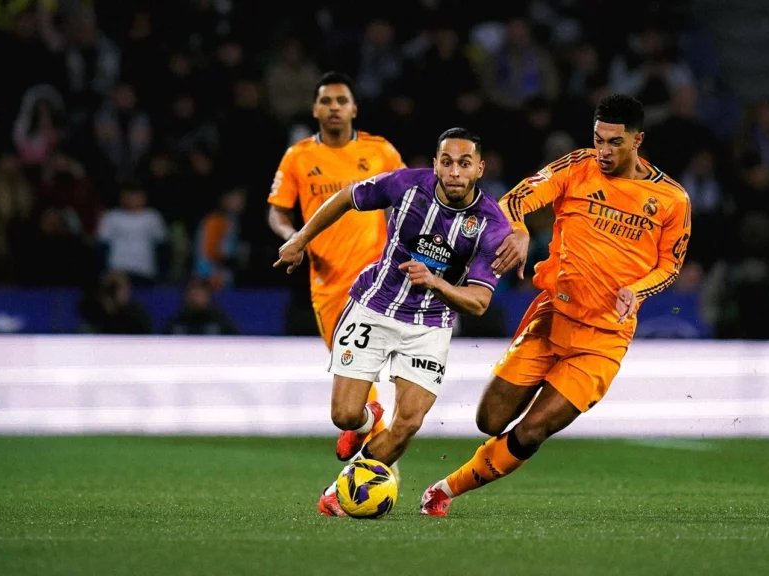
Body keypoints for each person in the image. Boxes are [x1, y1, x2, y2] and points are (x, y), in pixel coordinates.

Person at [420, 94, 693, 516]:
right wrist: (520, 230)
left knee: (533, 429)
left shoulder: (673, 200)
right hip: (552, 316)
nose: (603, 151)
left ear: (638, 140)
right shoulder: (577, 166)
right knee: (489, 421)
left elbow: (670, 267)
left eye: (614, 142)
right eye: (598, 139)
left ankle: (444, 490)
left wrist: (635, 291)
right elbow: (512, 201)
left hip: (603, 339)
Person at [274, 128, 511, 516]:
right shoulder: (405, 185)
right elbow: (346, 197)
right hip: (375, 305)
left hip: (430, 325)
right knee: (344, 415)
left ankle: (341, 490)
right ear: (435, 164)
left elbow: (480, 302)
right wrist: (301, 238)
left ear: (479, 169)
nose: (454, 171)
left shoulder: (491, 225)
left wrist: (434, 282)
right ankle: (368, 420)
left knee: (409, 422)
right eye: (446, 162)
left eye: (464, 163)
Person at [266, 71, 405, 461]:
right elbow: (277, 212)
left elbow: (409, 199)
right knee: (353, 379)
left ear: (354, 108)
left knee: (369, 373)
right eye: (326, 101)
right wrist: (294, 237)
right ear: (314, 109)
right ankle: (366, 423)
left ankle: (376, 468)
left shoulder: (381, 152)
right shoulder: (299, 156)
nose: (334, 108)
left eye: (341, 101)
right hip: (328, 285)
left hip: (381, 280)